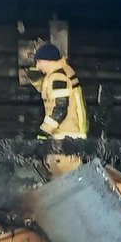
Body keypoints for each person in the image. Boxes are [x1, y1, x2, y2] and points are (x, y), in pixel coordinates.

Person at [29, 43, 88, 175]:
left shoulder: (58, 77)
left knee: (64, 181)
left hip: (65, 139)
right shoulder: (60, 73)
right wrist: (36, 81)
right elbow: (51, 95)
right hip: (69, 136)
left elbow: (60, 107)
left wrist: (45, 130)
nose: (37, 66)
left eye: (38, 62)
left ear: (47, 60)